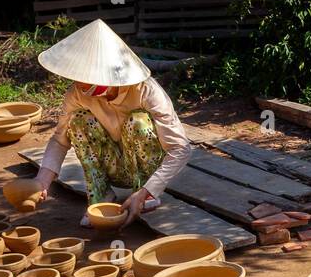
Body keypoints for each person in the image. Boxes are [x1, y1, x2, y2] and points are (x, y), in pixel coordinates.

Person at [31, 20, 191, 227]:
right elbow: (60, 140)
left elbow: (180, 148)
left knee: (138, 122)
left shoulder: (146, 91)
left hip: (146, 167)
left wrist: (146, 191)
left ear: (104, 76)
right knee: (78, 120)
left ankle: (143, 195)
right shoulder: (77, 95)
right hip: (113, 166)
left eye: (85, 77)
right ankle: (102, 196)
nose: (79, 83)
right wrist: (42, 181)